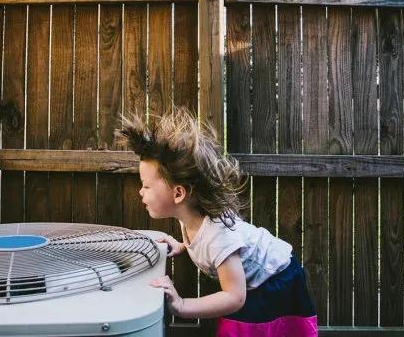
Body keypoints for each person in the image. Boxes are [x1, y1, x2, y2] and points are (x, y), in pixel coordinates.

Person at [116, 108, 318, 336]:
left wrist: (182, 305)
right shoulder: (191, 217)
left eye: (146, 185)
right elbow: (203, 244)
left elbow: (234, 297)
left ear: (179, 194)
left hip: (274, 280)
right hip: (248, 284)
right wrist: (182, 246)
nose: (140, 191)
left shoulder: (219, 236)